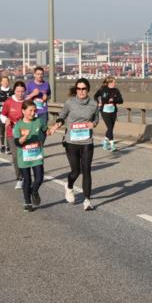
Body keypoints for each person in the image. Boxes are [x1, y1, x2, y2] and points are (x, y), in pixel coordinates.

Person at [48, 78, 99, 211]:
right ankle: (69, 186)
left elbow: (96, 118)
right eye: (79, 89)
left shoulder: (94, 104)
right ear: (76, 90)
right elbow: (62, 116)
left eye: (84, 89)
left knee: (86, 169)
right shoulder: (70, 103)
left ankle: (87, 200)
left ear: (88, 89)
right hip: (71, 141)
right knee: (76, 171)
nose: (81, 91)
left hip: (87, 141)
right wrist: (55, 127)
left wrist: (92, 124)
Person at [12, 100, 46, 211]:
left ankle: (34, 191)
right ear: (23, 111)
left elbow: (46, 131)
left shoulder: (39, 121)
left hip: (36, 156)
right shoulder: (18, 125)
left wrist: (53, 128)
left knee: (39, 178)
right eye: (30, 110)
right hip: (24, 157)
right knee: (27, 181)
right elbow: (17, 142)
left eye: (34, 110)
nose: (33, 113)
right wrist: (23, 138)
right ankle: (27, 203)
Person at [1, 81, 27, 190]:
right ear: (14, 91)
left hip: (25, 133)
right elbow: (2, 115)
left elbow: (33, 114)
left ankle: (27, 176)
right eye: (18, 91)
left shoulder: (28, 102)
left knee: (25, 156)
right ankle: (19, 178)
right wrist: (6, 119)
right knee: (16, 156)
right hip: (12, 133)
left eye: (22, 91)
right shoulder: (8, 102)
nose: (20, 93)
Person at [94, 76, 123, 151]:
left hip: (113, 111)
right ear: (109, 82)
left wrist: (113, 100)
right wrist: (98, 102)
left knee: (111, 128)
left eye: (115, 82)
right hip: (104, 111)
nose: (115, 83)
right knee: (110, 127)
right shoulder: (103, 89)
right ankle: (112, 144)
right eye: (113, 82)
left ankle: (105, 141)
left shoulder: (116, 90)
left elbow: (121, 100)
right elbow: (95, 96)